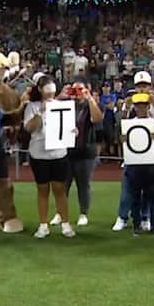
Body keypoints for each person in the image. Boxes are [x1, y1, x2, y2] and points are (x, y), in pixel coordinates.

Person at [23, 75, 75, 239]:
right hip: (39, 154)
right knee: (42, 190)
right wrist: (41, 112)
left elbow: (67, 127)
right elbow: (29, 128)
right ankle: (43, 225)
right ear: (40, 90)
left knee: (60, 189)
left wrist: (72, 132)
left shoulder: (62, 106)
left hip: (59, 153)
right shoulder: (32, 107)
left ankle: (65, 224)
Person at [49, 78, 103, 227]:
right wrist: (60, 96)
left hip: (85, 151)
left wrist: (89, 98)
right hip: (67, 151)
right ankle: (60, 213)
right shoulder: (66, 105)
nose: (77, 93)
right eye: (74, 90)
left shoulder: (89, 105)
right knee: (62, 185)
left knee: (83, 185)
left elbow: (97, 118)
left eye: (80, 90)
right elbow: (50, 111)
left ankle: (83, 213)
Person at [119, 91, 154, 236]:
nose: (140, 109)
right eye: (138, 106)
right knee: (135, 198)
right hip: (134, 164)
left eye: (143, 106)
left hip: (150, 164)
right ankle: (136, 225)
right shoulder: (129, 124)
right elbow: (121, 137)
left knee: (153, 198)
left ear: (148, 107)